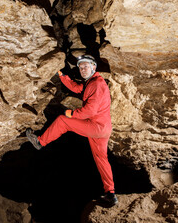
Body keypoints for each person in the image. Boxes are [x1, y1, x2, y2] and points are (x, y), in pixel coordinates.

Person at [26, 55, 118, 206]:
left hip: (96, 127)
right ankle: (111, 193)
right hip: (103, 128)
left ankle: (40, 142)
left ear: (93, 67)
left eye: (86, 66)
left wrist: (72, 114)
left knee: (63, 121)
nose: (82, 70)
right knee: (102, 159)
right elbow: (77, 88)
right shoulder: (92, 82)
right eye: (80, 67)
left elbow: (89, 110)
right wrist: (62, 76)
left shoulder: (96, 84)